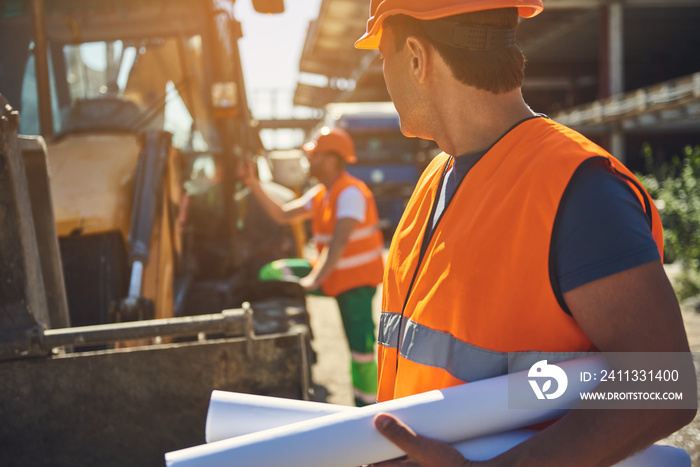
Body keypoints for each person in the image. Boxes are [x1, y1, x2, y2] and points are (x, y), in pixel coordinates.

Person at [352, 1, 697, 465]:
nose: (384, 77)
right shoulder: (436, 178)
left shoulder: (581, 191)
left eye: (383, 58)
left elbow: (665, 385)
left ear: (416, 56)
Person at [238, 127, 384, 407]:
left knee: (361, 350)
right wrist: (253, 183)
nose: (309, 160)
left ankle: (368, 406)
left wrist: (313, 280)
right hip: (331, 275)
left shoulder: (350, 193)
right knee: (274, 273)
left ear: (331, 160)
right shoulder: (322, 193)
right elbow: (283, 214)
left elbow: (338, 244)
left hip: (355, 284)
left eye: (314, 155)